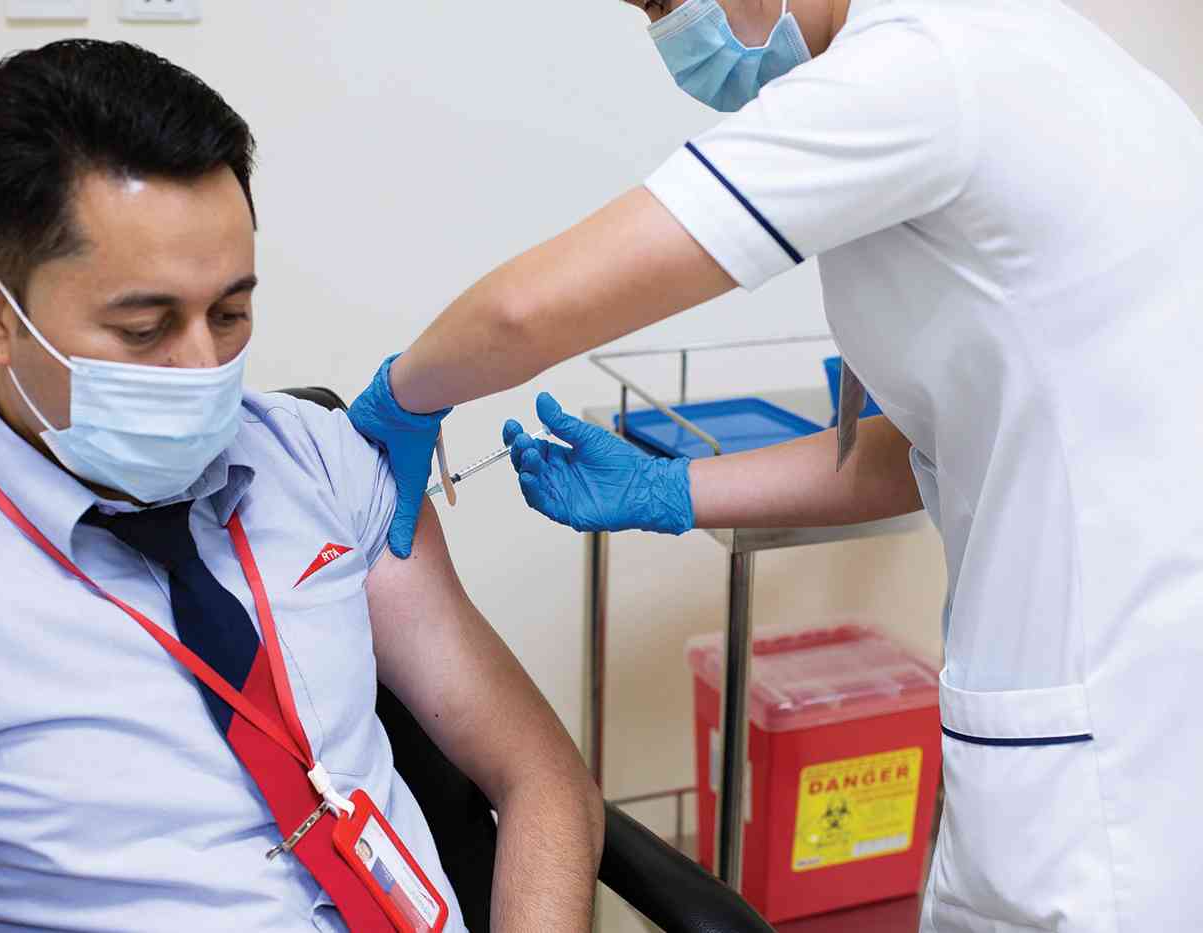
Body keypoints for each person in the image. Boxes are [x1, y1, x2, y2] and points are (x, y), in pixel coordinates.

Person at [346, 1, 1203, 930]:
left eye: (668, 1)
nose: (674, 35)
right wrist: (667, 489)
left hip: (1113, 750)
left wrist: (403, 393)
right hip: (1073, 715)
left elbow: (525, 313)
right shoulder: (994, 57)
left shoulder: (922, 68)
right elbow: (911, 451)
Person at [0, 40, 602, 933]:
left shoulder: (318, 458)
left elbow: (541, 777)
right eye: (145, 328)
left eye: (230, 312)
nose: (203, 366)